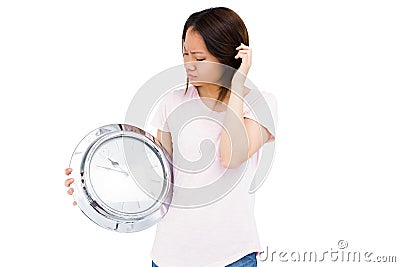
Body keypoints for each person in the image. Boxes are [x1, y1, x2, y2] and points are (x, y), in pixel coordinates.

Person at [65, 6, 277, 267]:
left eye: (199, 58)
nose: (189, 64)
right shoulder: (171, 102)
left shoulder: (259, 104)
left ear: (227, 57)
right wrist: (92, 188)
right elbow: (155, 181)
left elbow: (230, 156)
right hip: (170, 256)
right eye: (185, 53)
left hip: (232, 257)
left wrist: (236, 84)